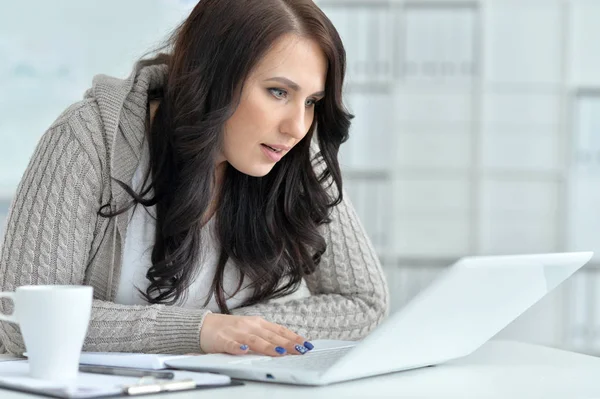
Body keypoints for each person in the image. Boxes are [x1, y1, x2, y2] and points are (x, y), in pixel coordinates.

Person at [0, 0, 389, 357]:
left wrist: (244, 330)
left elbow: (364, 301)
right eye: (277, 92)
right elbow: (22, 319)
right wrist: (200, 330)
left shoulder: (292, 156)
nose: (298, 127)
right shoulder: (88, 139)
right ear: (213, 76)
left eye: (311, 102)